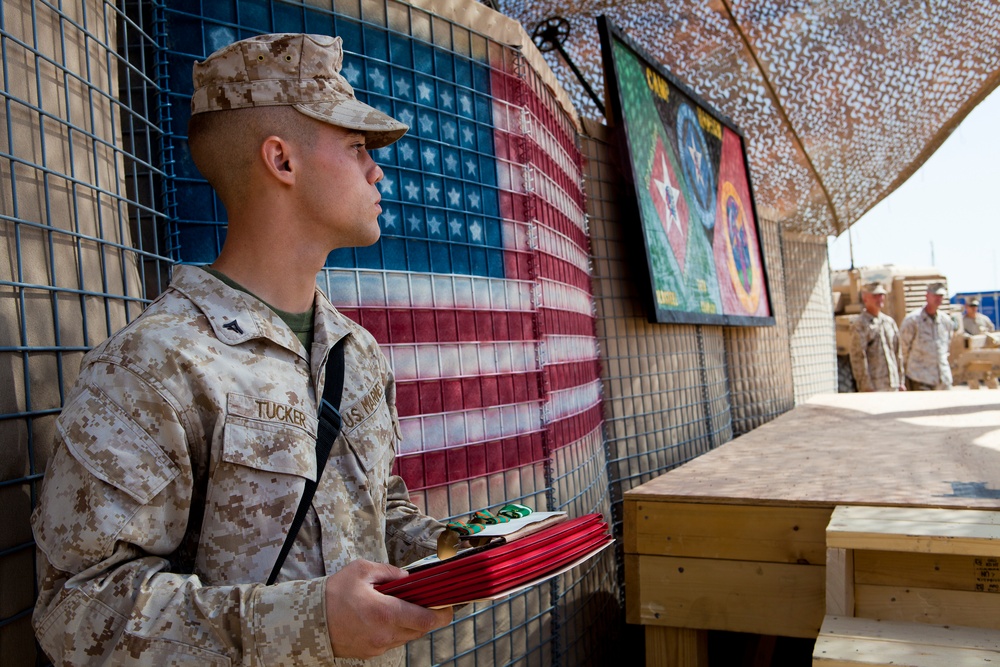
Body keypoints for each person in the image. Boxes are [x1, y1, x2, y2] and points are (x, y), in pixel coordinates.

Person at [31, 33, 453, 666]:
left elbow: (377, 507)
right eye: (358, 148)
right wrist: (309, 622)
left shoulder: (354, 351)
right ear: (282, 161)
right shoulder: (157, 364)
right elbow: (80, 609)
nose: (378, 171)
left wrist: (456, 551)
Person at [848, 282, 905, 392]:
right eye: (875, 296)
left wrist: (901, 381)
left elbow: (897, 353)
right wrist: (865, 385)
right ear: (865, 299)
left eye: (881, 295)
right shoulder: (860, 324)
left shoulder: (889, 322)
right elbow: (858, 358)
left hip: (893, 384)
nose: (879, 299)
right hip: (874, 386)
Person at [900, 282, 957, 390]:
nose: (938, 299)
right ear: (927, 296)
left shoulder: (946, 321)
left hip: (943, 379)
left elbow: (946, 347)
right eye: (935, 295)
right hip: (920, 378)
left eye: (941, 296)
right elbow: (903, 350)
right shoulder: (913, 320)